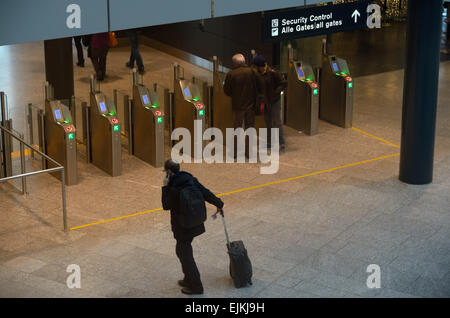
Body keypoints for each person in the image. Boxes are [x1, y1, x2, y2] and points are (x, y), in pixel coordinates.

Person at [161, 159, 224, 295]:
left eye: (165, 172)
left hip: (183, 226)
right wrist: (219, 203)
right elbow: (205, 192)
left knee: (185, 255)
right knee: (181, 251)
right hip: (194, 223)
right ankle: (188, 278)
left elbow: (166, 205)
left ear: (169, 173)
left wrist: (165, 187)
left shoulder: (174, 187)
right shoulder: (189, 179)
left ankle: (196, 286)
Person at [252, 55, 287, 152]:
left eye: (256, 66)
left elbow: (283, 83)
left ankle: (282, 144)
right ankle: (270, 142)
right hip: (265, 101)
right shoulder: (257, 73)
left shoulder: (273, 73)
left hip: (275, 101)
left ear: (261, 66)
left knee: (277, 122)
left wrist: (275, 93)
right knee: (268, 122)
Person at [224, 53, 263, 131]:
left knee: (237, 127)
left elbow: (227, 91)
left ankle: (237, 143)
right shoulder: (253, 72)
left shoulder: (231, 74)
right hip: (251, 105)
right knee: (250, 127)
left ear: (235, 63)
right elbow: (261, 86)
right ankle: (249, 143)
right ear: (244, 61)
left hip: (237, 106)